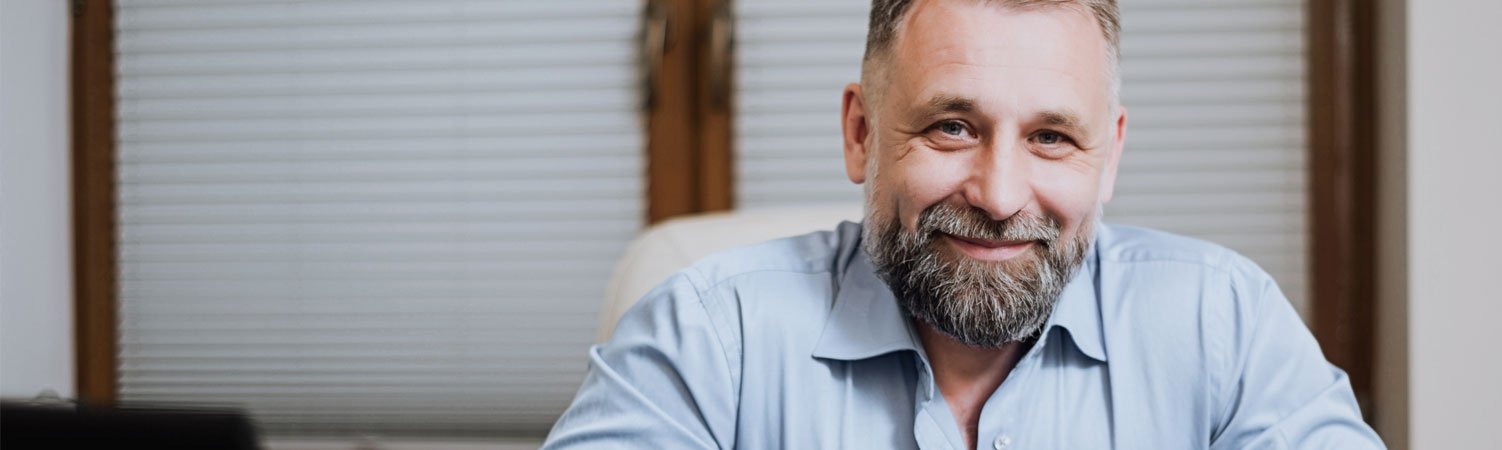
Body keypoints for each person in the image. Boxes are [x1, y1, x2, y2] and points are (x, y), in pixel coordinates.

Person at [543, 0, 1385, 448]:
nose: (999, 191)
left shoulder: (1224, 324)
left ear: (1112, 154)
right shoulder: (706, 336)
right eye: (952, 126)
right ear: (861, 132)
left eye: (1052, 137)